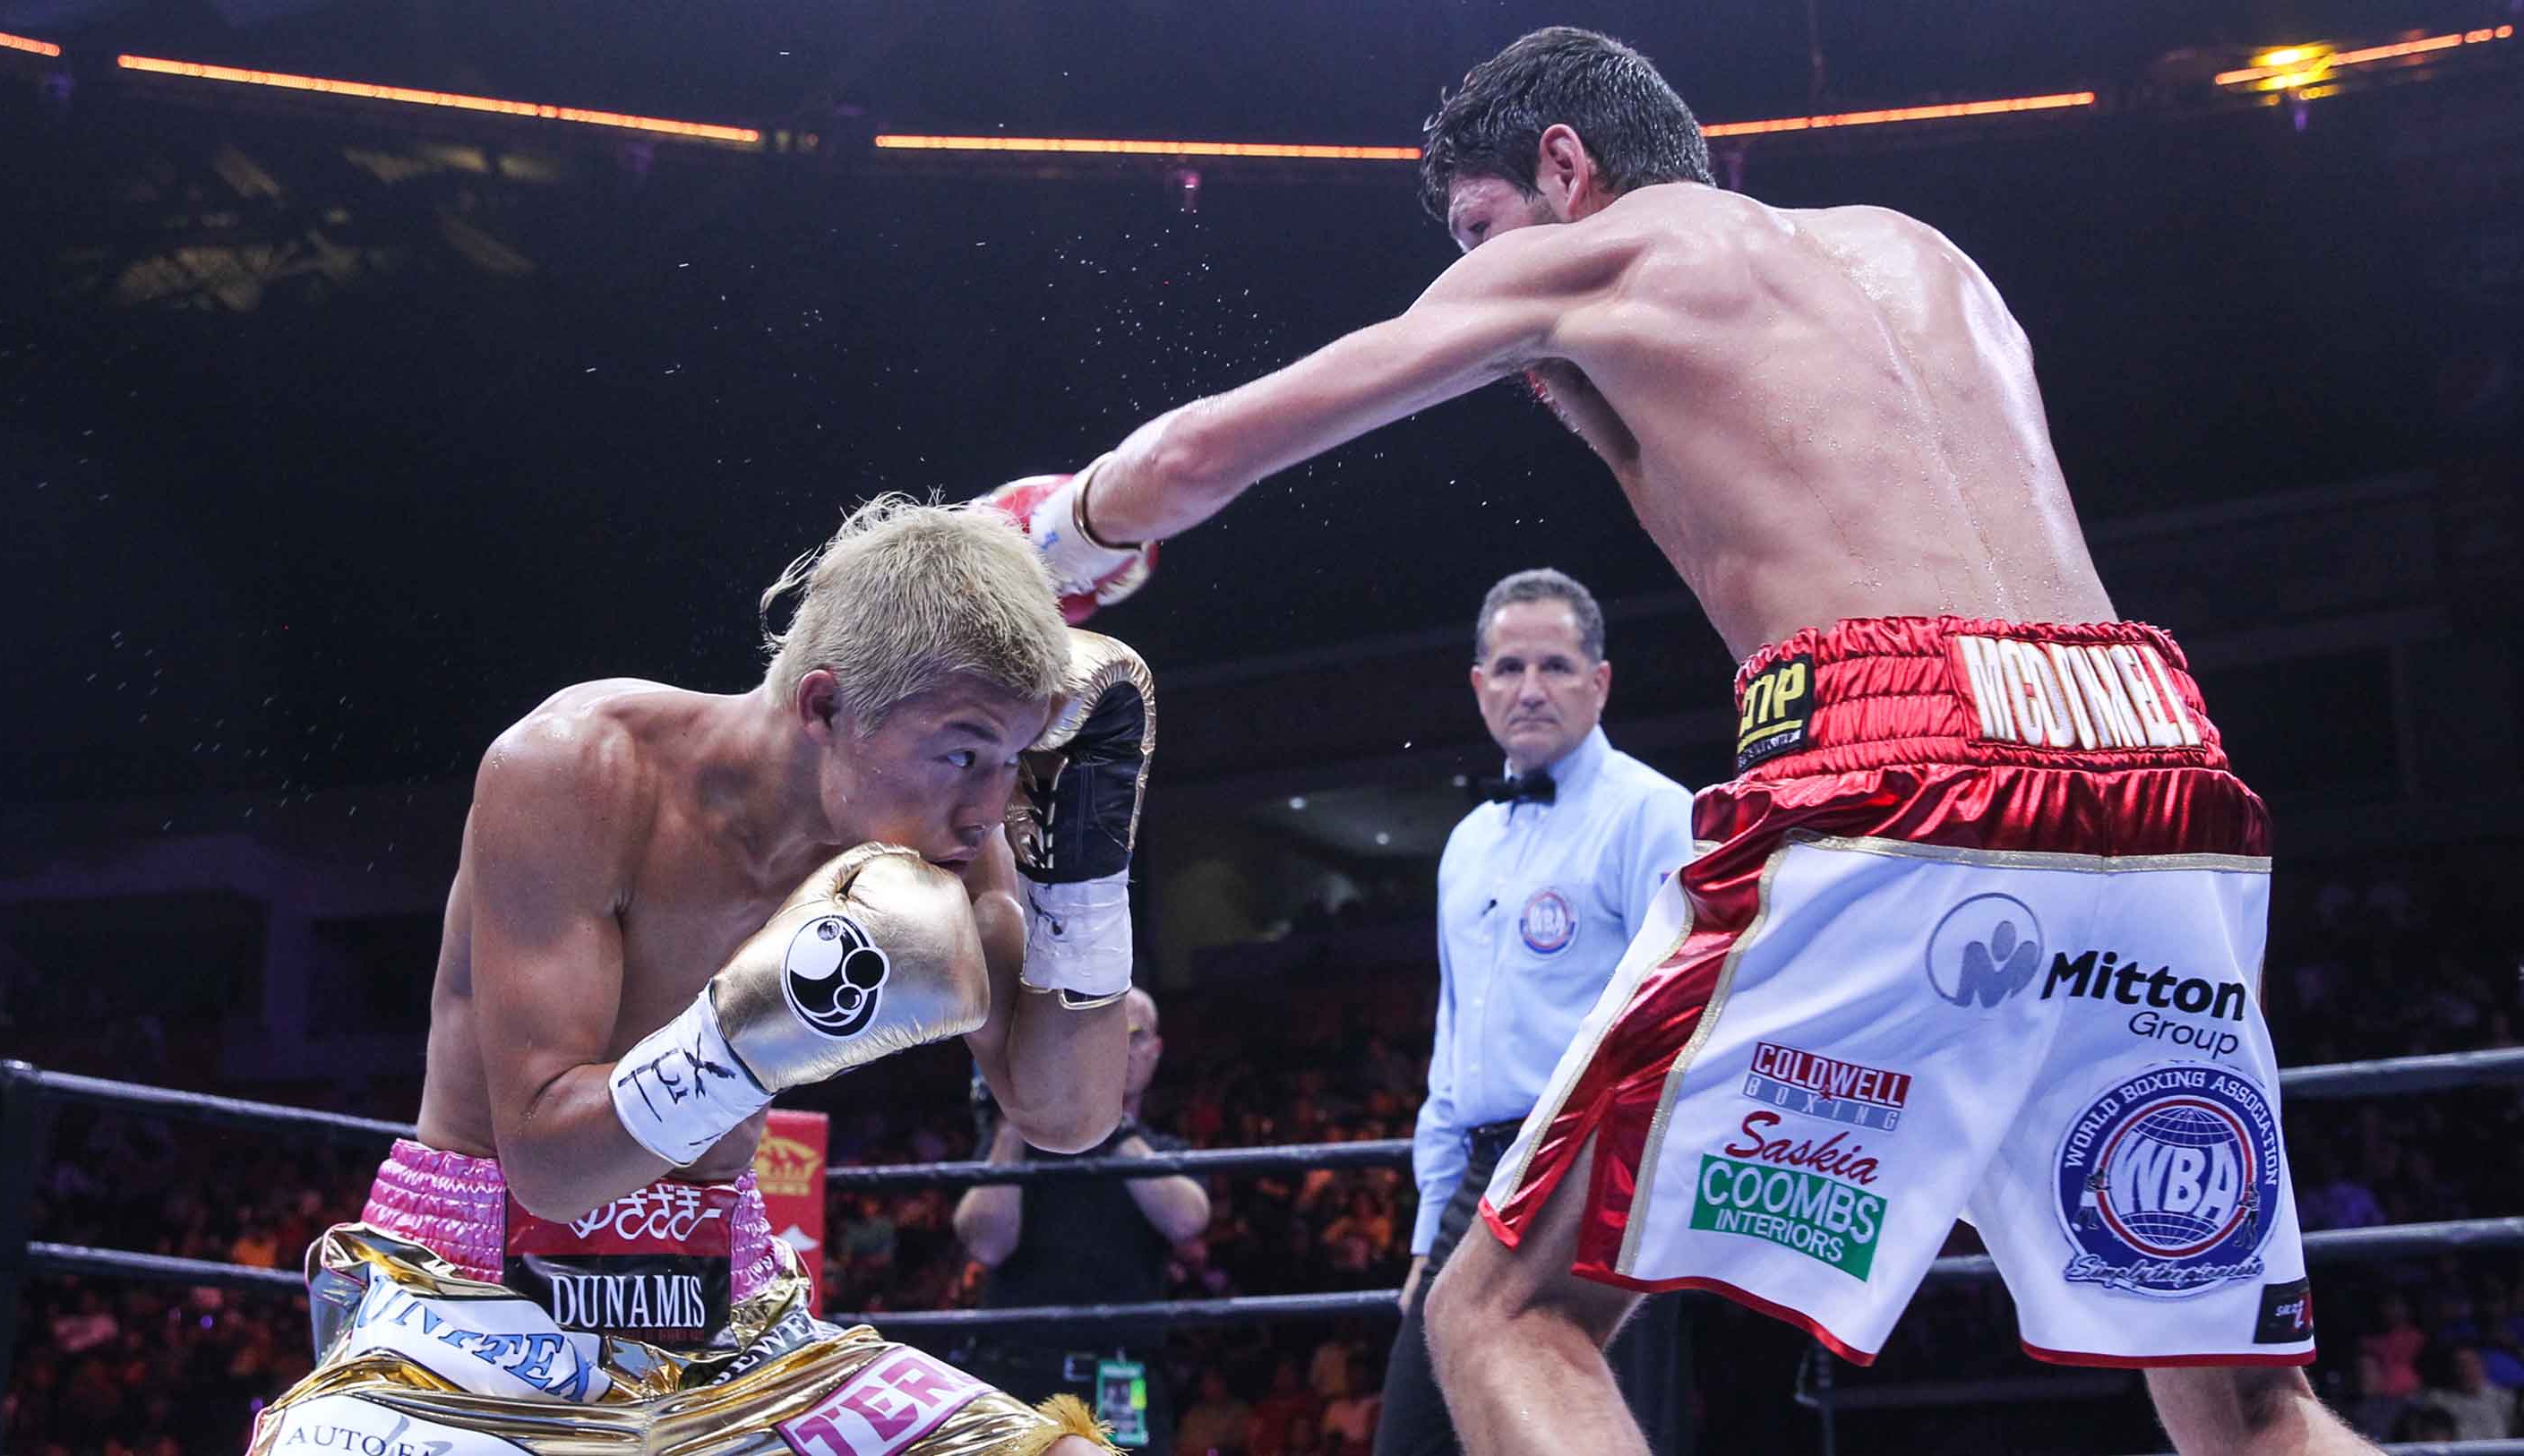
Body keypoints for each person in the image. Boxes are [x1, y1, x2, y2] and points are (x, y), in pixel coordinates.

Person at [986, 25, 2357, 1456]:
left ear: (1564, 166)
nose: (1472, 268)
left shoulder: (1608, 254)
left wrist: (1055, 533)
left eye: (1478, 227)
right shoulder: (1924, 254)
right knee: (2251, 1406)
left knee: (1497, 1318)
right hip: (2159, 768)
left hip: (1904, 762)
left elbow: (1206, 454)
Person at [243, 496, 1155, 1454]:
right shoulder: (582, 772)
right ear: (824, 705)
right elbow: (551, 1169)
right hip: (468, 1302)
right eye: (963, 752)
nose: (988, 807)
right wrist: (750, 1037)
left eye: (1011, 761)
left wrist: (1085, 881)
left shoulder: (944, 843)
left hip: (731, 1325)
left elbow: (1067, 1116)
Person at [1377, 569, 1691, 1456]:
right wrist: (1425, 1231)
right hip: (1475, 1184)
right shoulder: (1468, 841)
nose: (1530, 688)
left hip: (1593, 1176)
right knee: (1418, 1440)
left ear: (1600, 682)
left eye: (1555, 666)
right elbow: (1454, 1049)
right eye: (1509, 667)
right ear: (1479, 687)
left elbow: (1681, 1028)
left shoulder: (1653, 815)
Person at [954, 988, 1212, 1452]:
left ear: (1156, 1050)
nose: (1119, 1049)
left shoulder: (1167, 1153)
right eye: (1104, 1035)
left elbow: (1188, 1220)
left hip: (1121, 1374)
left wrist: (1107, 1117)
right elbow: (986, 1244)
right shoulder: (1014, 1146)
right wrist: (1018, 1117)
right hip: (1016, 1368)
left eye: (1133, 1036)